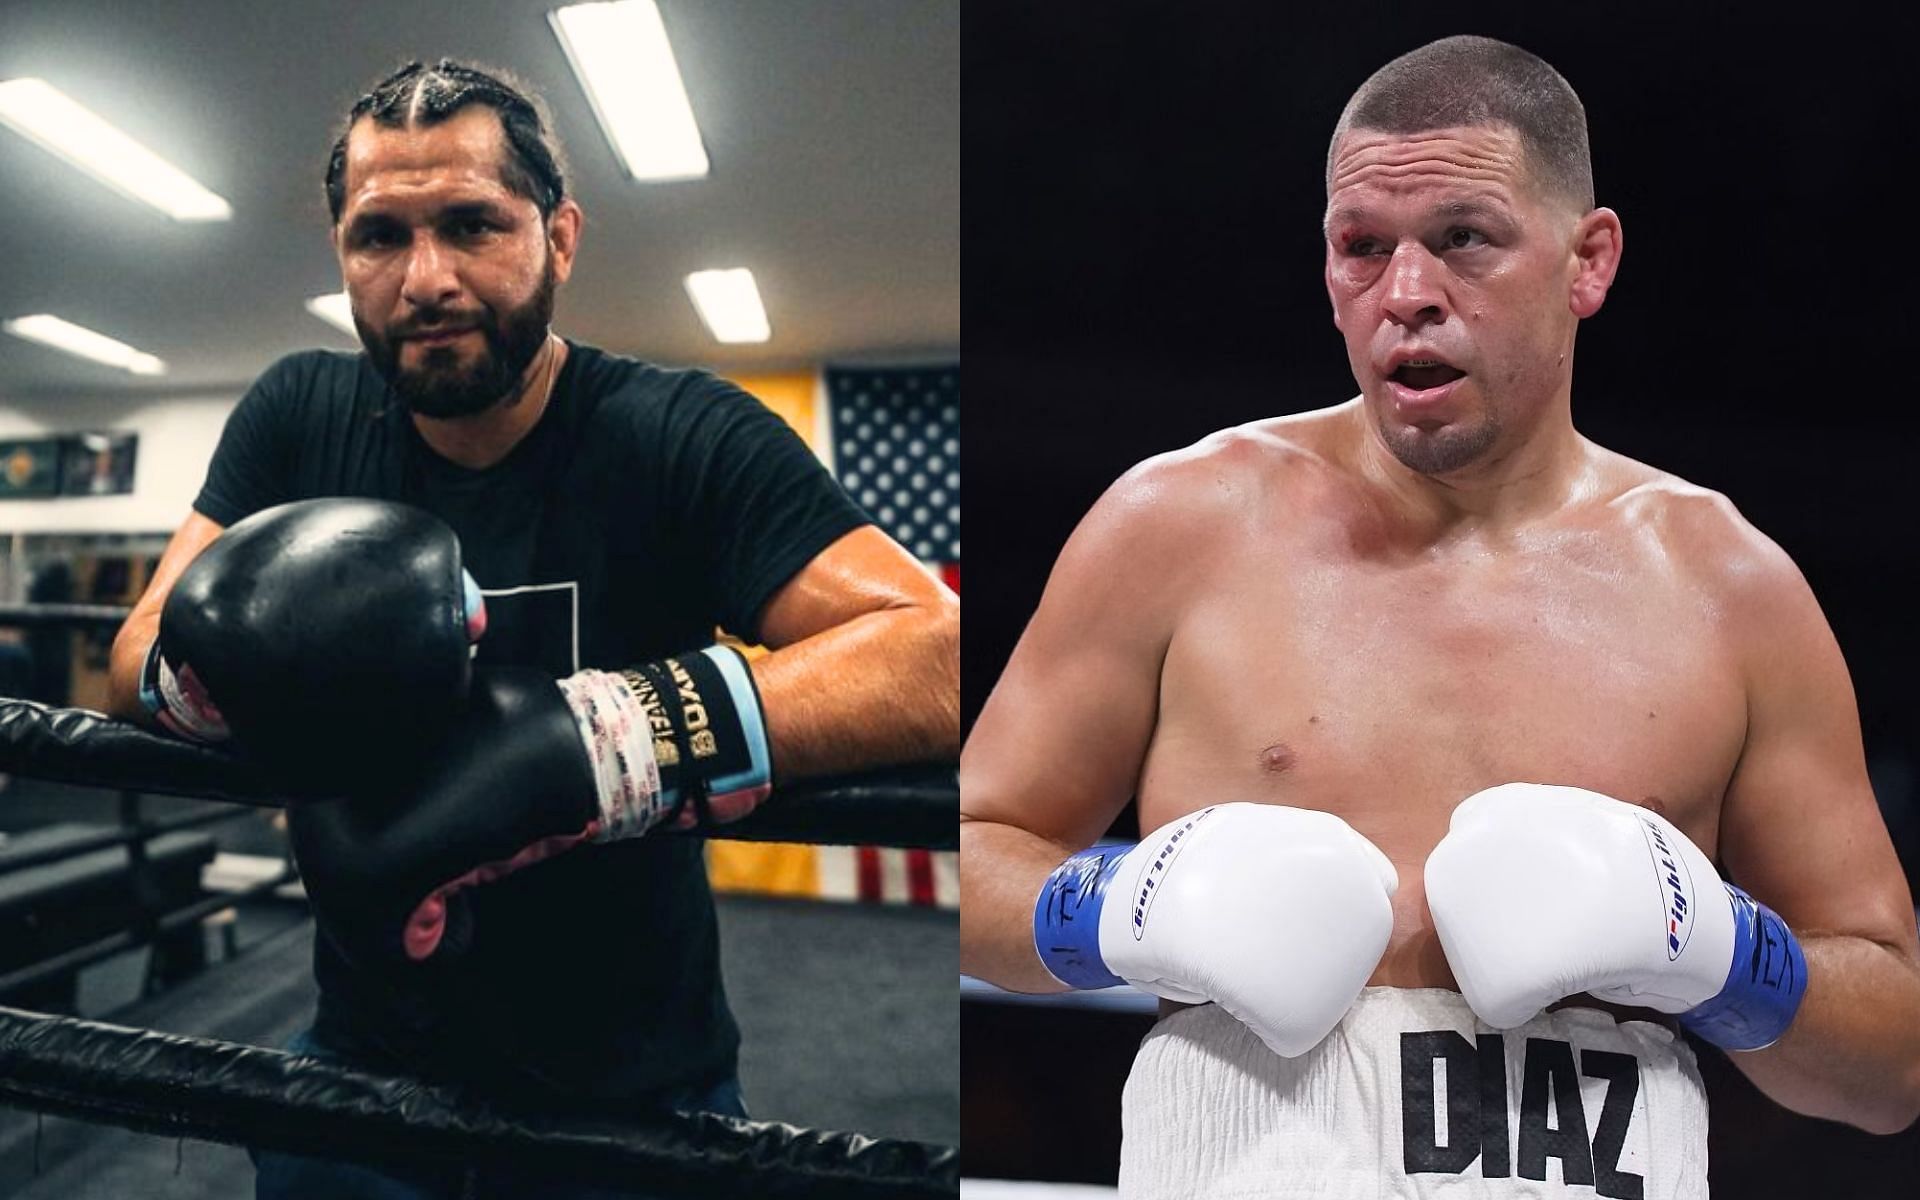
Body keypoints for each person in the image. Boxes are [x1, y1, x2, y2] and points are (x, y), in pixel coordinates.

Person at [960, 34, 1920, 1199]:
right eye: (1362, 249)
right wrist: (1122, 909)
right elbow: (971, 860)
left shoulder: (1730, 587)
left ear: (1589, 260)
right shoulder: (1179, 527)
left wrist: (1717, 951)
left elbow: (1893, 1067)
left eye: (1464, 238)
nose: (1406, 295)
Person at [105, 59, 958, 1199]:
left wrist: (609, 743)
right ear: (340, 253)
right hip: (359, 1063)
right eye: (379, 238)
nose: (426, 279)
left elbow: (938, 651)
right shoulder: (300, 417)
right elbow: (136, 652)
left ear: (559, 237)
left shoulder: (672, 433)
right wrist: (221, 677)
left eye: (471, 226)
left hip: (629, 1085)